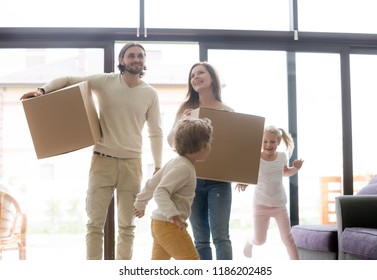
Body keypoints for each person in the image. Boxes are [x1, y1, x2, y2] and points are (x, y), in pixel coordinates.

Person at [20, 42, 163, 260]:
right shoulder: (105, 82)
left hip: (132, 165)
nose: (137, 59)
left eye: (140, 56)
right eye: (132, 55)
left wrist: (159, 164)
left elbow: (156, 132)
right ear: (122, 60)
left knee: (127, 227)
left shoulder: (150, 94)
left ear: (144, 61)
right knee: (94, 225)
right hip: (102, 162)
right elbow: (68, 80)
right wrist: (42, 91)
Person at [167, 62, 234, 260]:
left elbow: (235, 148)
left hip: (220, 180)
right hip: (191, 181)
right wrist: (182, 123)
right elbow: (172, 141)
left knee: (221, 237)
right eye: (192, 75)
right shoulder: (186, 109)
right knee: (200, 238)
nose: (195, 77)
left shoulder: (227, 111)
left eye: (200, 73)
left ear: (212, 78)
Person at [134, 116, 213, 260]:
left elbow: (153, 182)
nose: (209, 147)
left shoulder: (176, 162)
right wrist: (174, 217)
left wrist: (140, 203)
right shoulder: (185, 167)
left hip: (159, 225)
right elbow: (160, 191)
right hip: (169, 225)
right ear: (202, 146)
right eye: (208, 143)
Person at [236, 125, 303, 260]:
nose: (268, 145)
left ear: (278, 142)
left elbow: (285, 172)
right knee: (260, 240)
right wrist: (244, 183)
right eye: (265, 141)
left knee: (288, 239)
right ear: (260, 142)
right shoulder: (256, 158)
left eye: (272, 142)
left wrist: (295, 169)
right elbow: (252, 176)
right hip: (260, 204)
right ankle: (249, 241)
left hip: (279, 205)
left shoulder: (282, 157)